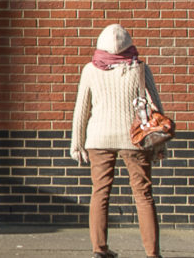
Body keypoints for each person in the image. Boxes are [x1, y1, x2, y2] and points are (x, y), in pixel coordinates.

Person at [69, 23, 166, 258]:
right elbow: (156, 107)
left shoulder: (90, 70)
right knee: (143, 194)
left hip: (98, 138)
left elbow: (81, 109)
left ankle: (99, 249)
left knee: (100, 192)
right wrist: (160, 143)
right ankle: (152, 253)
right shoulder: (140, 69)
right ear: (128, 45)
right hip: (135, 139)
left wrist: (77, 143)